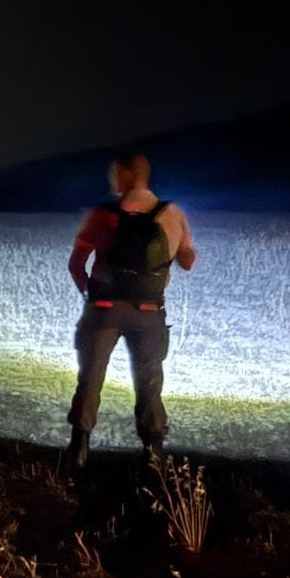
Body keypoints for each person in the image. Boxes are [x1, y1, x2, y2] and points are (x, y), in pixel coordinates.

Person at [65, 152, 196, 465]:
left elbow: (76, 263)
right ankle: (153, 453)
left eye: (114, 172)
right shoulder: (172, 213)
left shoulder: (103, 214)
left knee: (91, 377)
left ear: (127, 174)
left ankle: (79, 452)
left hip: (104, 310)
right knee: (149, 381)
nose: (112, 178)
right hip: (149, 312)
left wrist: (92, 294)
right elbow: (188, 261)